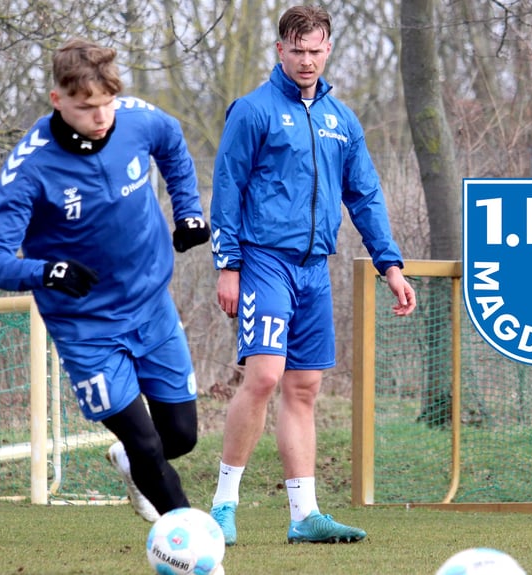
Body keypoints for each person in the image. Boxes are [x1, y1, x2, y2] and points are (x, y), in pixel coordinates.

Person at [0, 38, 211, 522]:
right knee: (146, 443)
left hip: (151, 305)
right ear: (58, 100)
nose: (101, 117)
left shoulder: (138, 119)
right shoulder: (32, 166)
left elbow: (173, 145)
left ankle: (133, 464)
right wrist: (46, 271)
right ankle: (192, 545)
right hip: (86, 325)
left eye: (107, 103)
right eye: (86, 107)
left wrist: (188, 212)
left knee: (180, 436)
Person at [208, 5, 417, 545]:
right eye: (296, 50)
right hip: (263, 261)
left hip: (314, 270)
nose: (306, 60)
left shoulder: (342, 120)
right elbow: (227, 188)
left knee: (304, 386)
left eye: (315, 50)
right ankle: (223, 506)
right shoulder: (252, 111)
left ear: (328, 49)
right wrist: (227, 266)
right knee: (264, 377)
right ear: (280, 50)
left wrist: (389, 265)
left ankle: (305, 516)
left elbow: (365, 195)